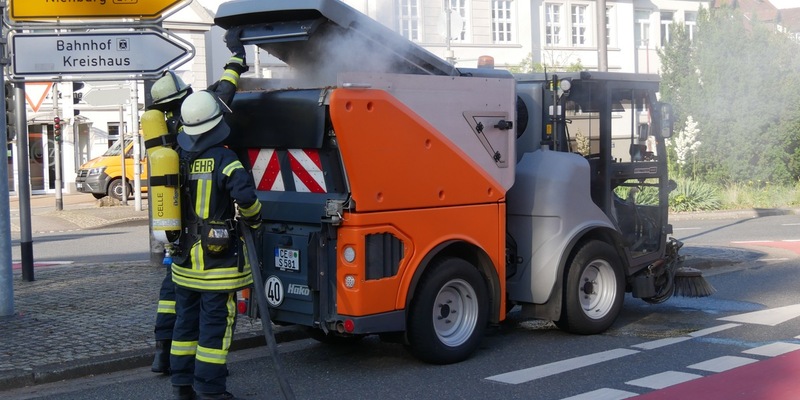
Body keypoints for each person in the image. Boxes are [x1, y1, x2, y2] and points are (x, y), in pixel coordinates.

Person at [149, 26, 249, 375]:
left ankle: (165, 356)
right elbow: (226, 89)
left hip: (176, 229)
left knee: (173, 296)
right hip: (209, 240)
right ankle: (206, 376)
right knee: (208, 313)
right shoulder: (199, 123)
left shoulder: (166, 136)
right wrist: (236, 54)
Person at [169, 89, 262, 400]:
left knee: (185, 324)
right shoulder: (225, 158)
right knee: (215, 326)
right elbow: (246, 198)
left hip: (183, 262)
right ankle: (211, 388)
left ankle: (182, 385)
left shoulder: (177, 158)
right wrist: (256, 220)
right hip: (216, 266)